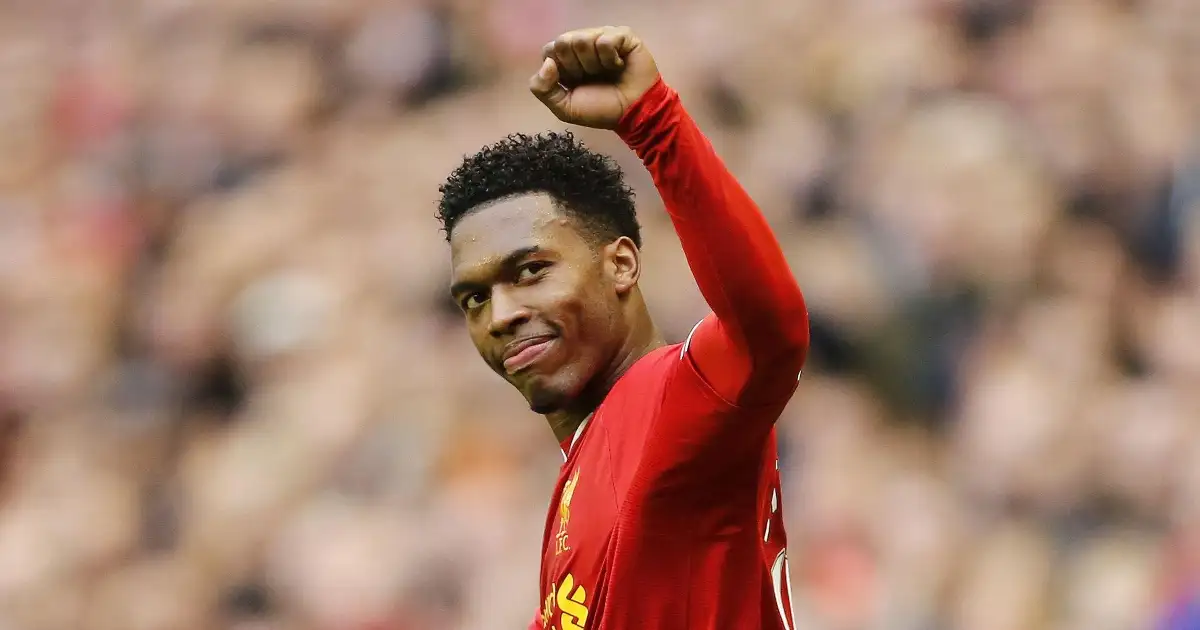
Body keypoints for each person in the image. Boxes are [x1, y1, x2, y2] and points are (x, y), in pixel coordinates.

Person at [436, 26, 810, 630]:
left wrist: (654, 123)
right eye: (474, 298)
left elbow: (772, 325)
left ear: (621, 263)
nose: (500, 315)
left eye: (531, 271)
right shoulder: (586, 464)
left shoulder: (676, 402)